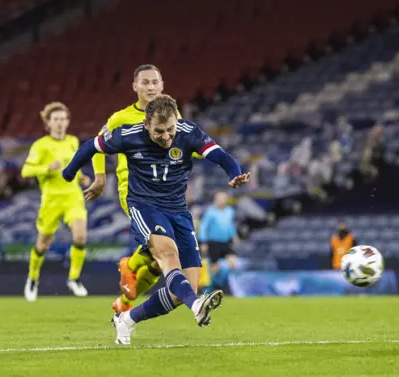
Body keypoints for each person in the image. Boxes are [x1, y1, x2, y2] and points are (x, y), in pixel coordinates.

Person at [62, 95, 250, 344]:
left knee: (182, 290)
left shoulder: (188, 132)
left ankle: (127, 320)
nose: (166, 136)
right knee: (169, 255)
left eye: (170, 129)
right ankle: (196, 307)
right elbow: (90, 147)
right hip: (145, 206)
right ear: (146, 126)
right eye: (159, 131)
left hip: (179, 212)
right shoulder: (127, 135)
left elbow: (222, 157)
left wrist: (234, 174)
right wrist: (69, 171)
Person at [85, 64, 202, 313]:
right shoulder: (120, 118)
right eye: (145, 82)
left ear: (162, 86)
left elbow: (178, 149)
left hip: (166, 193)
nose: (150, 87)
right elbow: (97, 145)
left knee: (160, 263)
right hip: (136, 192)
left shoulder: (172, 113)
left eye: (154, 82)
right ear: (135, 87)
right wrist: (100, 178)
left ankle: (125, 301)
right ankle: (130, 269)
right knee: (163, 251)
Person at [21, 102, 91, 302]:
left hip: (72, 197)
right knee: (43, 244)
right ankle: (33, 278)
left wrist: (82, 178)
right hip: (51, 199)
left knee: (81, 236)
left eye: (63, 119)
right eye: (56, 119)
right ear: (48, 123)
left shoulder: (73, 141)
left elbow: (73, 169)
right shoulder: (41, 145)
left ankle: (74, 278)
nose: (60, 123)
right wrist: (47, 168)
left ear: (68, 121)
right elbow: (26, 170)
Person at [198, 191, 240, 290]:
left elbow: (231, 225)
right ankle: (209, 288)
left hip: (225, 242)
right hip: (213, 242)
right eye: (220, 199)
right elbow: (203, 227)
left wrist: (234, 236)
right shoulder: (210, 212)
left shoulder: (230, 211)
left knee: (233, 262)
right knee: (214, 267)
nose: (222, 201)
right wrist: (203, 242)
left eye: (224, 198)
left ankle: (221, 284)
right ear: (215, 200)